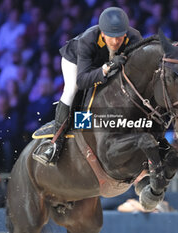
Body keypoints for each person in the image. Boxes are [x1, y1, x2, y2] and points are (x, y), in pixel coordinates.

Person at [33, 7, 142, 166]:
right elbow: (83, 80)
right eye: (111, 38)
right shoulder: (88, 40)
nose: (115, 42)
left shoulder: (135, 37)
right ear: (103, 33)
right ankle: (55, 143)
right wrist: (107, 67)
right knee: (71, 89)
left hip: (103, 63)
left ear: (125, 33)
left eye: (119, 37)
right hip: (76, 61)